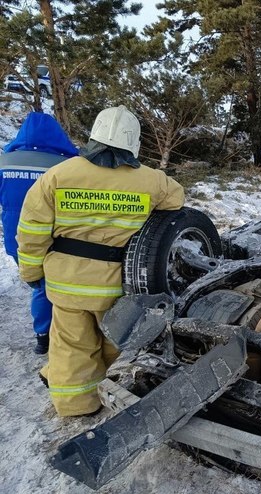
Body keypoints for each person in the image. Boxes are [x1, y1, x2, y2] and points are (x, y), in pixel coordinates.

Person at [17, 105, 185, 416]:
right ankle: (114, 393)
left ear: (93, 136)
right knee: (115, 340)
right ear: (133, 142)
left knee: (71, 346)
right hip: (116, 282)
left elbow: (31, 232)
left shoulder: (57, 176)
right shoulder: (152, 180)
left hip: (66, 283)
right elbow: (177, 202)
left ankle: (77, 405)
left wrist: (30, 271)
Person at [0, 112, 78, 354]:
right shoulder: (64, 165)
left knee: (38, 284)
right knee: (50, 285)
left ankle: (44, 333)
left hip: (16, 237)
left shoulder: (5, 161)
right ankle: (52, 336)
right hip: (52, 236)